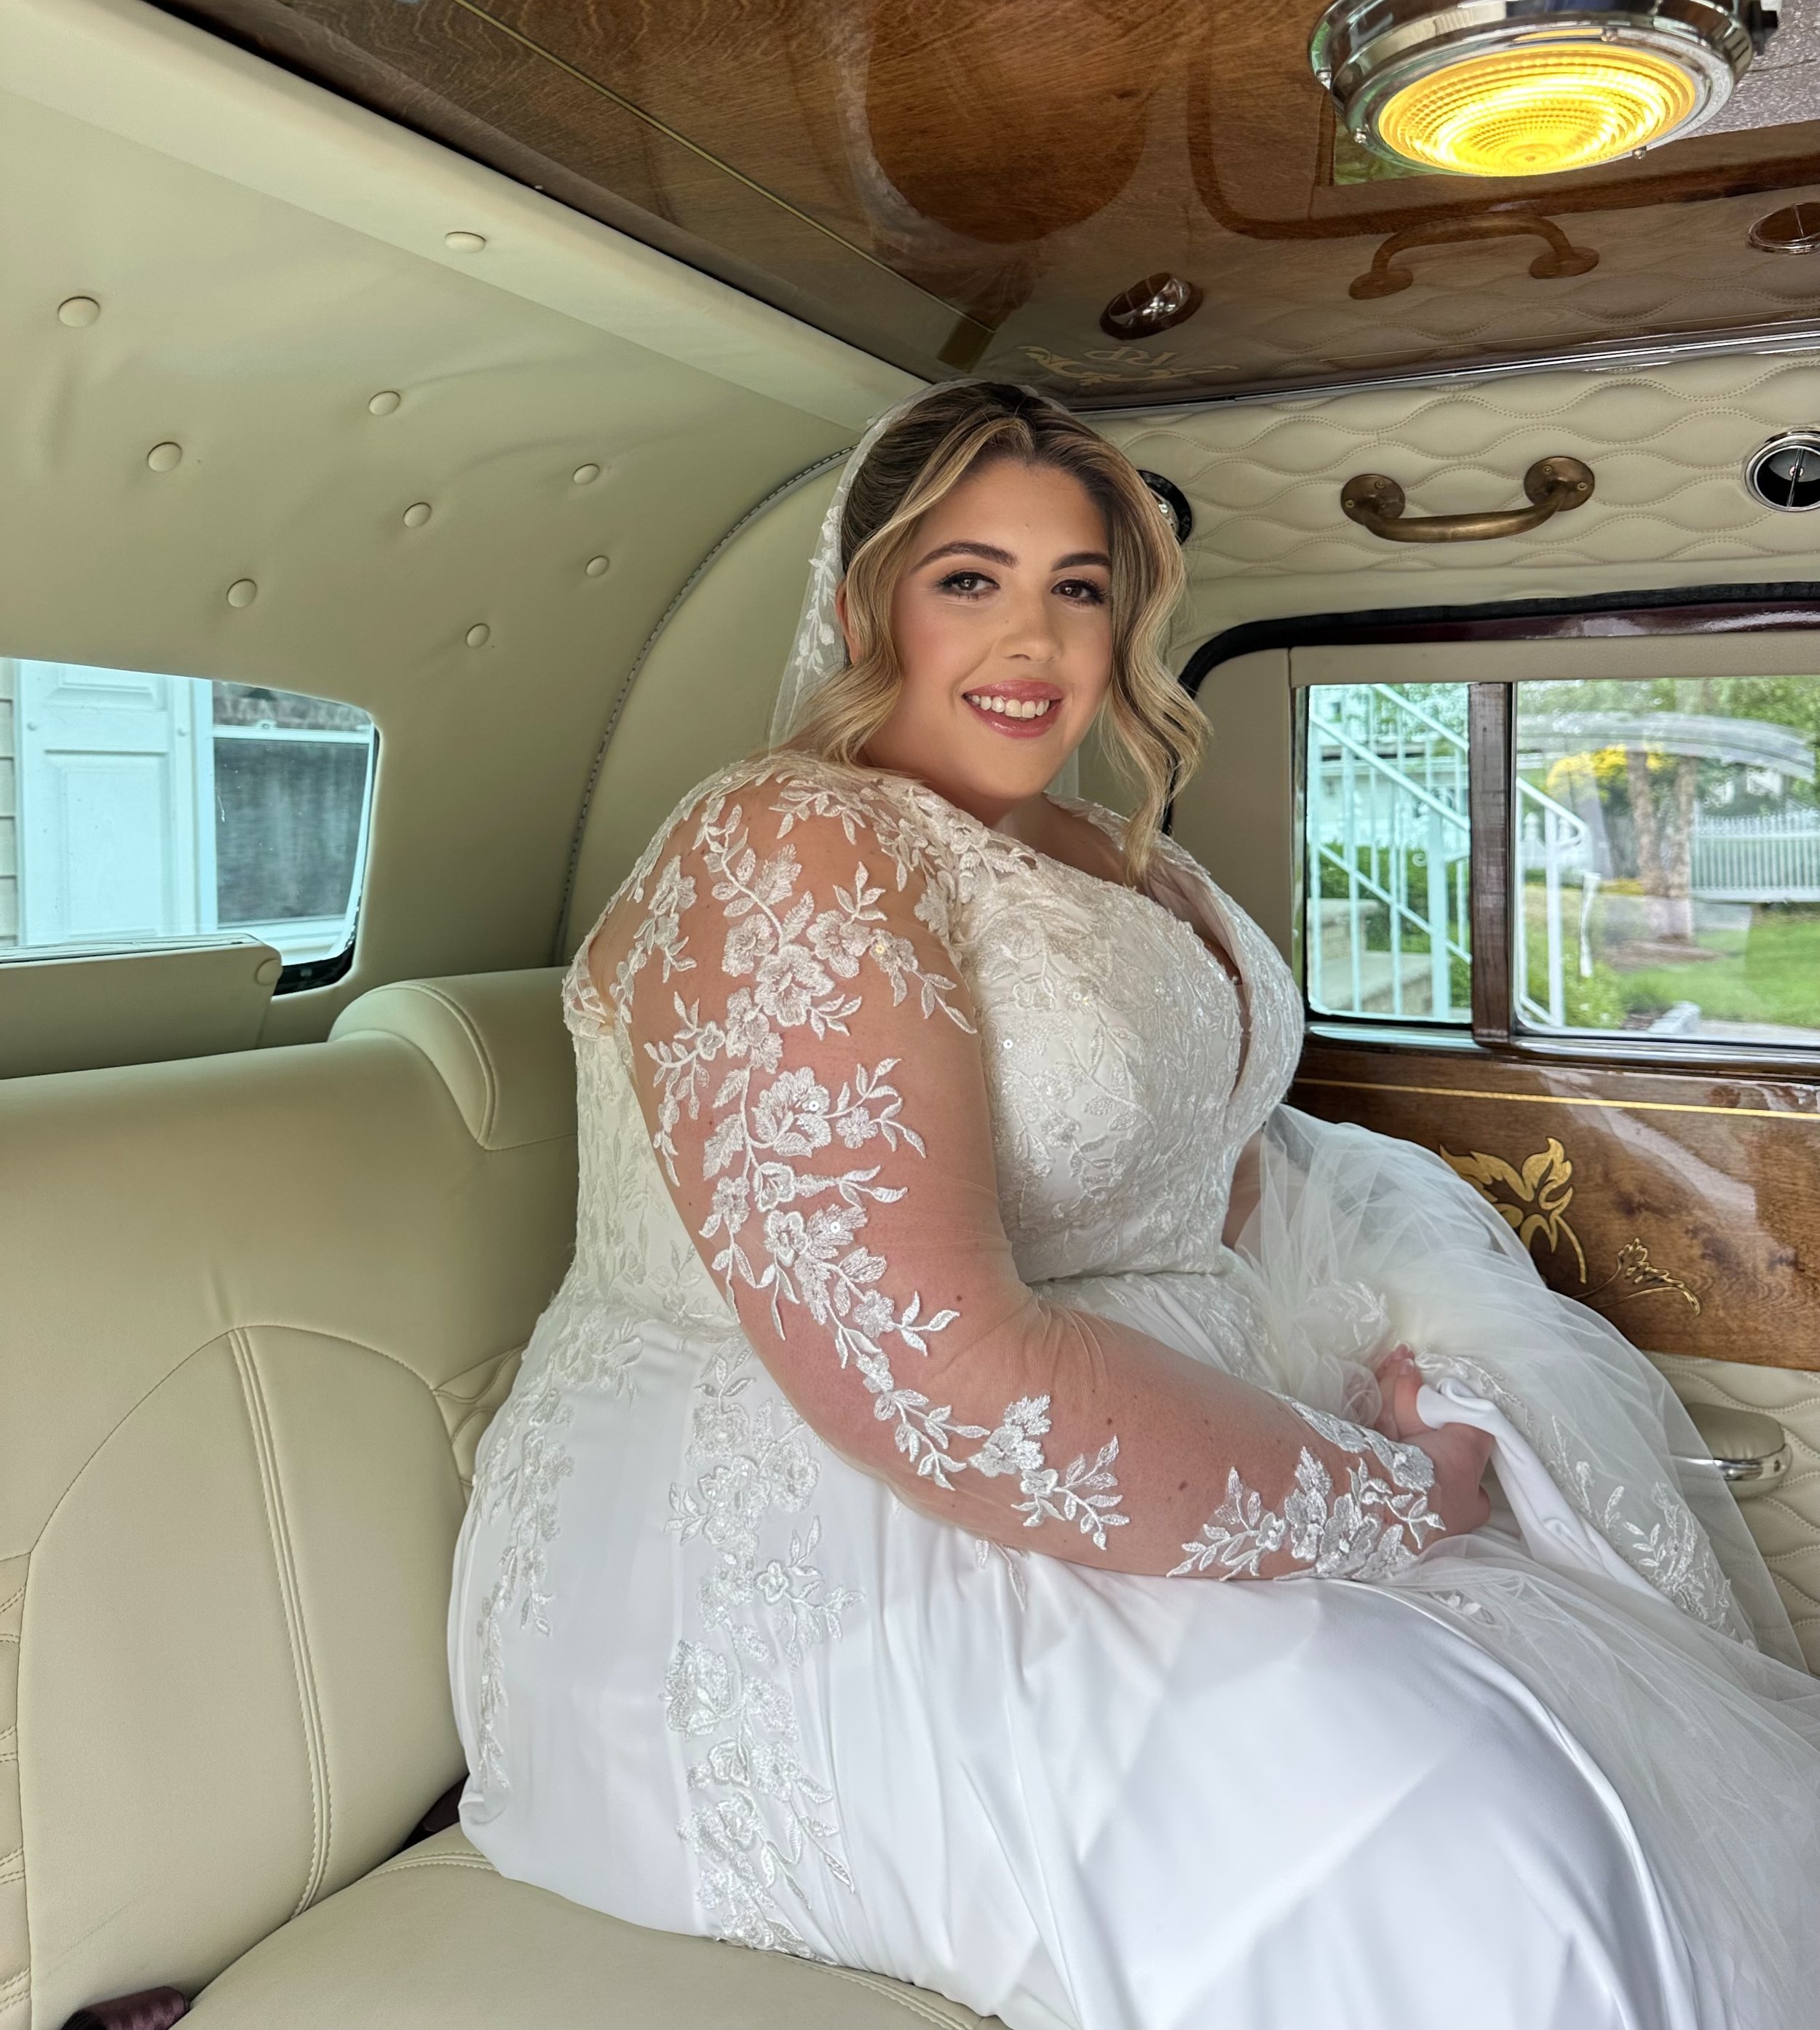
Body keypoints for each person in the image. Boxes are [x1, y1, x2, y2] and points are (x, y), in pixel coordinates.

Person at [451, 381, 1820, 2030]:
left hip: (1136, 1438)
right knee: (1468, 1819)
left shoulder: (1124, 853)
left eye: (1076, 585)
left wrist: (1351, 1364)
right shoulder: (785, 847)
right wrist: (1387, 1493)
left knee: (1594, 1720)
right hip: (805, 1541)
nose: (1031, 638)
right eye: (967, 576)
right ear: (858, 599)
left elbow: (1208, 1177)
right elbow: (936, 1379)